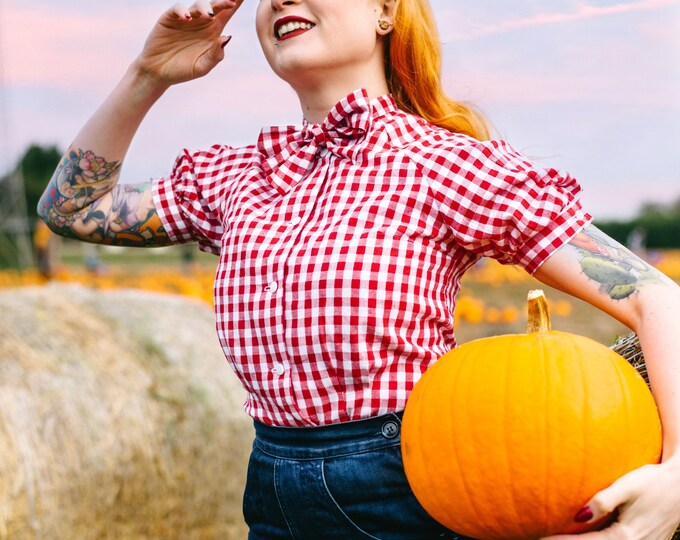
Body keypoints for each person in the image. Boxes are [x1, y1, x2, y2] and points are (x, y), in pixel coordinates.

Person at [38, 1, 680, 538]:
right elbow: (72, 209)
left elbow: (655, 296)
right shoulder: (238, 177)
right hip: (271, 492)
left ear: (384, 12)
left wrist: (677, 475)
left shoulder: (442, 166)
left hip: (408, 491)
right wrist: (148, 74)